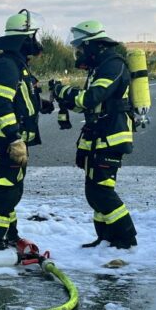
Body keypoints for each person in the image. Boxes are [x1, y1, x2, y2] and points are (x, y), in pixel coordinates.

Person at [48, 20, 138, 249]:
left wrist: (63, 90)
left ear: (92, 45)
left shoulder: (113, 65)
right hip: (98, 136)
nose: (78, 52)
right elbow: (87, 106)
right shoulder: (100, 67)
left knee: (102, 192)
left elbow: (91, 97)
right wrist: (65, 99)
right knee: (94, 192)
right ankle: (106, 238)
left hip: (112, 137)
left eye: (80, 47)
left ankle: (127, 240)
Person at [0, 9, 54, 265]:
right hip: (7, 140)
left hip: (17, 139)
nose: (36, 41)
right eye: (33, 35)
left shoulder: (17, 64)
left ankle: (10, 236)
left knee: (13, 189)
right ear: (23, 37)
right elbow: (1, 103)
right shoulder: (7, 64)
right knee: (6, 191)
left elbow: (20, 99)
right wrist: (14, 137)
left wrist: (41, 103)